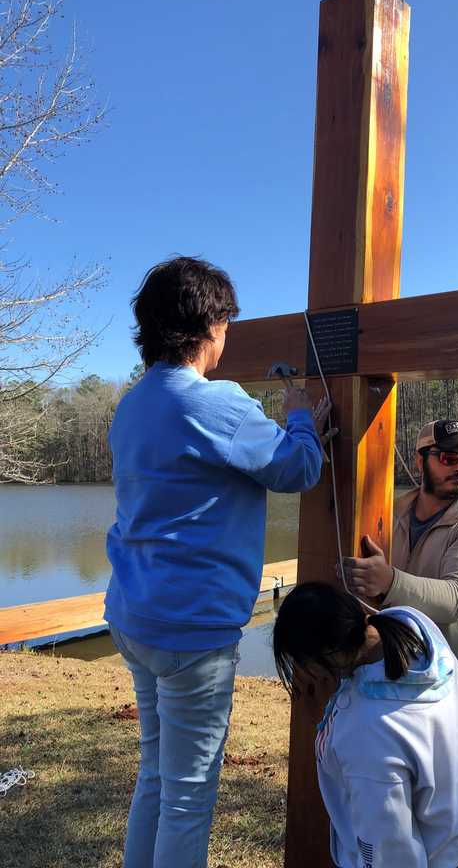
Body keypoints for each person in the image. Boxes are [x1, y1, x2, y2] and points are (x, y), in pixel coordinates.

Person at [104, 256, 329, 868]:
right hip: (191, 631)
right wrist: (302, 413)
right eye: (226, 322)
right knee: (188, 796)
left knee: (156, 773)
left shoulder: (132, 406)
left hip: (134, 616)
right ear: (210, 325)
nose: (228, 335)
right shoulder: (214, 405)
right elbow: (298, 468)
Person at [342, 420, 458, 868]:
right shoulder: (386, 512)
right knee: (396, 829)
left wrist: (389, 580)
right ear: (421, 461)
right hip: (391, 696)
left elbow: (455, 599)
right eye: (449, 457)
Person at [273, 582, 458, 868]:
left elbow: (391, 851)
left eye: (301, 664)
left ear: (325, 658)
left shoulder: (366, 735)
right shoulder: (412, 625)